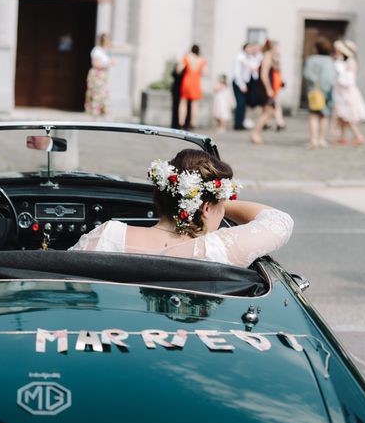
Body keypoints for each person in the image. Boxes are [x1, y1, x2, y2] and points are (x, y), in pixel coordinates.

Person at [69, 149, 293, 268]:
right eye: (221, 205)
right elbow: (279, 220)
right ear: (206, 207)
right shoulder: (214, 251)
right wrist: (217, 201)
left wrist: (212, 199)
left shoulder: (106, 236)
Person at [333, 40, 365, 145]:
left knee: (348, 116)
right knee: (342, 116)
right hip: (341, 93)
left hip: (347, 93)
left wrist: (338, 71)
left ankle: (358, 136)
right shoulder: (344, 62)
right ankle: (342, 136)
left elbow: (348, 80)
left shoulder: (351, 62)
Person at [303, 36, 337, 149]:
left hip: (315, 92)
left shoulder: (312, 59)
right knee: (324, 115)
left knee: (314, 115)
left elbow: (308, 74)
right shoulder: (329, 60)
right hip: (327, 91)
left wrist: (316, 82)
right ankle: (322, 139)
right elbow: (332, 77)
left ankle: (314, 140)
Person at [249, 39, 279, 144]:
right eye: (278, 47)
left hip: (264, 88)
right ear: (273, 47)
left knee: (267, 111)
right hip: (264, 88)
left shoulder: (269, 56)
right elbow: (264, 75)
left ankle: (256, 133)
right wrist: (268, 89)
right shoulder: (267, 56)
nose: (279, 49)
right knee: (268, 111)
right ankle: (255, 133)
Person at [177, 44, 207, 129]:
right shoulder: (202, 60)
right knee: (195, 104)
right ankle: (193, 123)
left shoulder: (187, 57)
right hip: (196, 82)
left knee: (183, 102)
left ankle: (181, 122)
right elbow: (205, 72)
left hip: (187, 81)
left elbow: (179, 69)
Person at [231, 43, 259, 130]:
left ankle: (241, 122)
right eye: (249, 47)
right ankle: (237, 124)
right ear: (245, 48)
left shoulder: (249, 58)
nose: (251, 49)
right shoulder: (240, 58)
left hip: (246, 83)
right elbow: (237, 73)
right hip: (239, 83)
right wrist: (242, 85)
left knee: (244, 104)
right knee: (240, 103)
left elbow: (254, 70)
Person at [84, 33, 111, 120]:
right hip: (97, 75)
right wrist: (108, 63)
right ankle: (94, 116)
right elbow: (95, 64)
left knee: (102, 95)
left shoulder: (103, 51)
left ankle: (101, 115)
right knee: (96, 94)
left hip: (102, 75)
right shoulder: (97, 50)